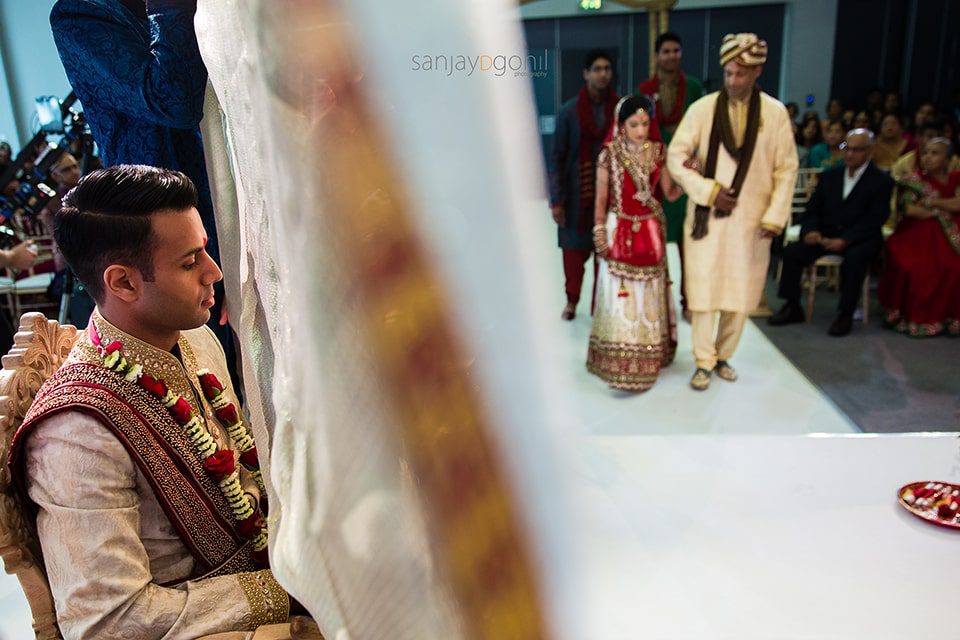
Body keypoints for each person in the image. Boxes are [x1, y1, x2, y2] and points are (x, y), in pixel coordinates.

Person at [7, 166, 297, 638]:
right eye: (189, 263)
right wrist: (276, 592)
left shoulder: (196, 340)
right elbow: (106, 620)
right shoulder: (75, 434)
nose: (214, 272)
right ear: (122, 283)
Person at [49, 0, 237, 379]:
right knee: (207, 372)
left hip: (233, 203)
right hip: (165, 223)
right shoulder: (80, 13)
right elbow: (171, 100)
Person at [667, 32, 798, 390]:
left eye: (740, 74)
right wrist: (708, 192)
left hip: (752, 221)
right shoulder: (703, 108)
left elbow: (787, 169)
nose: (733, 81)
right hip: (707, 219)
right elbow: (675, 157)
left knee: (739, 295)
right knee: (704, 290)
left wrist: (774, 216)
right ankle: (702, 361)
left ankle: (724, 356)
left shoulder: (774, 114)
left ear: (757, 72)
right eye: (728, 73)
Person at [587, 95, 681, 391]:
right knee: (620, 294)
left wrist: (690, 170)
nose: (641, 130)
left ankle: (646, 361)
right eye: (633, 124)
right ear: (621, 124)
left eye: (644, 123)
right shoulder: (609, 155)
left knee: (648, 295)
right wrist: (600, 232)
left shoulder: (658, 152)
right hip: (619, 229)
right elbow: (601, 200)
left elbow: (670, 192)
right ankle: (616, 361)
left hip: (649, 232)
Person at [769, 129, 893, 336]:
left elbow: (875, 218)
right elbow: (813, 209)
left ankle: (845, 313)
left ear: (869, 152)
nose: (850, 154)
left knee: (855, 259)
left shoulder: (881, 181)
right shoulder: (830, 177)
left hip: (858, 238)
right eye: (847, 148)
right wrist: (811, 230)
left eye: (857, 150)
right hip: (825, 234)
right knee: (792, 252)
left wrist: (846, 239)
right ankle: (792, 306)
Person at [638, 31, 704, 317]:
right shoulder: (645, 88)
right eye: (665, 51)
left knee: (689, 242)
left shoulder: (693, 87)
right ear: (656, 56)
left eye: (675, 50)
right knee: (656, 242)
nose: (671, 56)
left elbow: (701, 127)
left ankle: (690, 299)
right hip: (655, 173)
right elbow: (639, 130)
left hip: (687, 171)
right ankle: (658, 301)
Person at [550, 49, 619, 320]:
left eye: (607, 69)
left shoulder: (619, 109)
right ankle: (572, 301)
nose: (603, 74)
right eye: (597, 69)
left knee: (606, 253)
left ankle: (600, 305)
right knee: (573, 256)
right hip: (577, 197)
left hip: (611, 196)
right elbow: (556, 158)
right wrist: (557, 200)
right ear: (586, 73)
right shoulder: (569, 112)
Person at [878, 138, 960, 336]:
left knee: (953, 267)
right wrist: (940, 209)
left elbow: (958, 205)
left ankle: (950, 319)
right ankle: (917, 318)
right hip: (915, 234)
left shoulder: (957, 178)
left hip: (950, 234)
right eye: (925, 153)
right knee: (915, 267)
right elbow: (912, 211)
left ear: (948, 159)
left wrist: (932, 203)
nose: (927, 157)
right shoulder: (913, 181)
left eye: (935, 153)